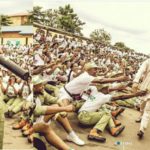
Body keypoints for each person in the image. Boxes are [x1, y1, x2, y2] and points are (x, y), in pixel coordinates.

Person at [132, 58, 150, 139]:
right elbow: (140, 71)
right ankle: (140, 115)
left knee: (148, 110)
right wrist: (136, 81)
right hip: (145, 88)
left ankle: (142, 129)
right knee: (142, 106)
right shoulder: (148, 61)